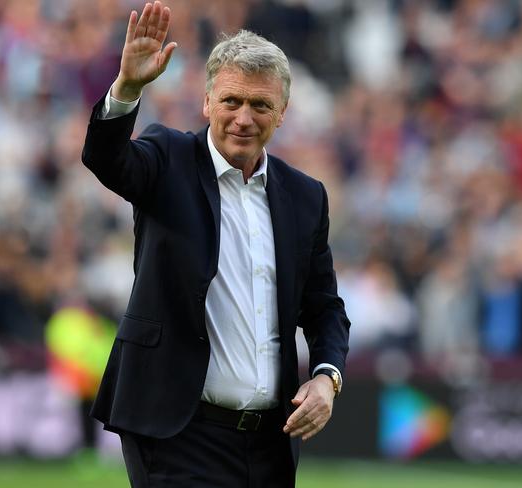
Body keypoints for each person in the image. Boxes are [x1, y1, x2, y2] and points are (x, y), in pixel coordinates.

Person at [81, 2, 350, 486]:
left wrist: (327, 379)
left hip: (270, 440)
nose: (243, 118)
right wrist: (127, 89)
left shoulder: (306, 198)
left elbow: (324, 306)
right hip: (177, 433)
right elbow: (106, 158)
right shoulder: (168, 159)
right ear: (207, 103)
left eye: (260, 105)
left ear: (282, 114)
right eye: (231, 101)